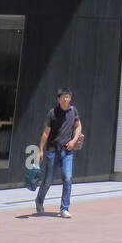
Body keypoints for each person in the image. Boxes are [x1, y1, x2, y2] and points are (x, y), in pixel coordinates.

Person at [35, 88, 82, 218]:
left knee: (67, 178)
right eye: (63, 97)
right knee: (48, 180)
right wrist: (40, 149)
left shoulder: (73, 111)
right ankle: (39, 201)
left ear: (70, 98)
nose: (65, 99)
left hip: (67, 151)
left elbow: (78, 126)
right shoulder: (52, 113)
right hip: (52, 151)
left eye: (68, 97)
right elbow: (46, 132)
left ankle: (64, 208)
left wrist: (73, 141)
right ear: (58, 99)